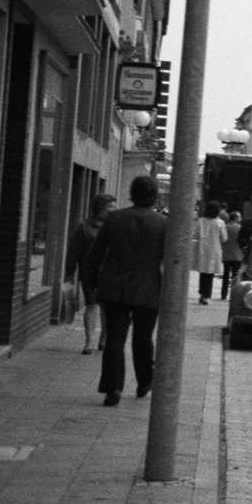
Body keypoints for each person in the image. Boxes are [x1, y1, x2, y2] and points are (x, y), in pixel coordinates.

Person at [81, 174, 166, 406]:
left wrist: (90, 280)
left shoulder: (115, 218)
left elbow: (96, 252)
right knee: (143, 337)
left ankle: (113, 387)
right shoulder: (163, 223)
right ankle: (145, 381)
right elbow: (170, 259)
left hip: (115, 288)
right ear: (155, 196)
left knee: (115, 338)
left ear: (132, 194)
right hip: (148, 289)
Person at [65, 194, 115, 353]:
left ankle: (103, 339)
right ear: (100, 208)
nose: (114, 209)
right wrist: (69, 273)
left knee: (107, 308)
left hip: (110, 273)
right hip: (90, 272)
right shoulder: (84, 227)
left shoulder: (116, 226)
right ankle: (89, 342)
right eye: (110, 206)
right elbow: (74, 251)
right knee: (91, 305)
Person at [194, 201, 226, 304]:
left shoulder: (201, 221)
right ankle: (206, 296)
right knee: (210, 273)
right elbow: (224, 238)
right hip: (214, 249)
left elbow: (196, 234)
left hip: (202, 249)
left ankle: (202, 293)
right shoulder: (220, 223)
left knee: (203, 272)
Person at [221, 211, 243, 293]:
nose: (241, 219)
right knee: (235, 275)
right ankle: (234, 292)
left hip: (226, 254)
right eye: (239, 217)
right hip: (237, 254)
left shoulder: (225, 227)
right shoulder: (240, 228)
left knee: (225, 274)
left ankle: (223, 293)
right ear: (236, 218)